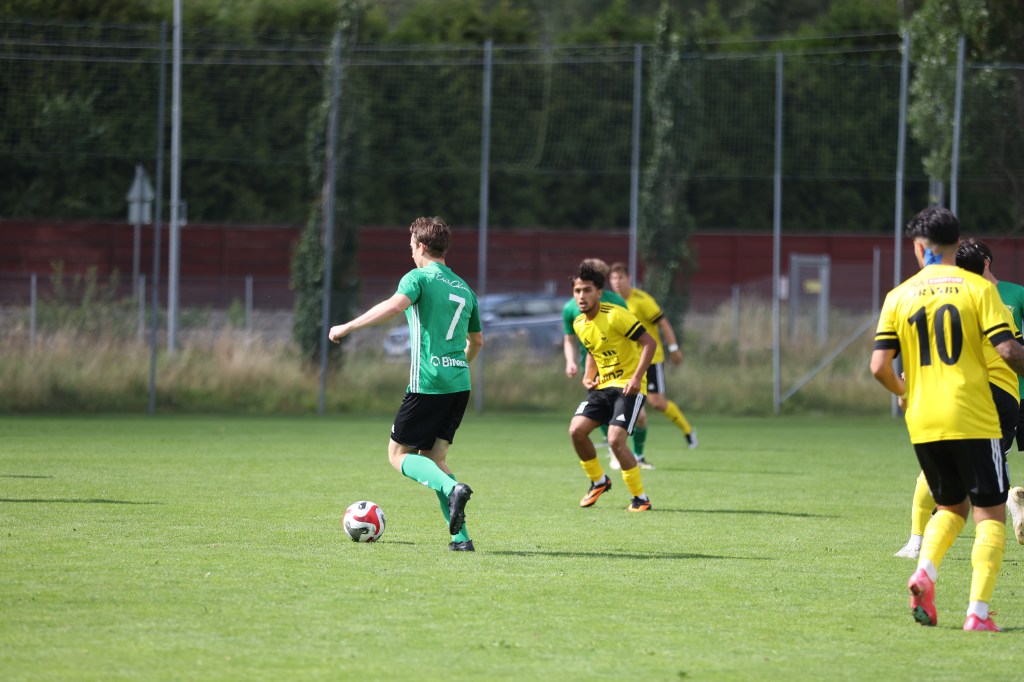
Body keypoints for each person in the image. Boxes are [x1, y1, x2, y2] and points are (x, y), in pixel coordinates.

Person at [871, 207, 1024, 632]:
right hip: (974, 413)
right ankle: (977, 613)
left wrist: (905, 393)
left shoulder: (898, 295)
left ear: (918, 248)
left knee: (951, 507)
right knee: (989, 514)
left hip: (923, 417)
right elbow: (1008, 351)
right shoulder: (978, 289)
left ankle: (925, 571)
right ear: (957, 245)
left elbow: (879, 367)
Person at [329, 217, 483, 552]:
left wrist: (348, 327)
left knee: (398, 454)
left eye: (411, 246)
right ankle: (461, 539)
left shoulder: (418, 278)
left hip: (428, 382)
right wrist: (457, 366)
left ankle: (454, 490)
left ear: (421, 246)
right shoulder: (464, 288)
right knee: (435, 460)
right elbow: (477, 342)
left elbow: (393, 306)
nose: (410, 252)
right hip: (459, 383)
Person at [893, 238, 1022, 559]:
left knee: (946, 469)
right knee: (984, 472)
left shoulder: (951, 299)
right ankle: (1008, 502)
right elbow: (1011, 349)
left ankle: (920, 545)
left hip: (971, 392)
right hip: (1000, 395)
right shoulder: (987, 300)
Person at [568, 260, 656, 512]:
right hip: (603, 387)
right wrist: (588, 376)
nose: (581, 296)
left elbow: (649, 343)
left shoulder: (616, 315)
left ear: (598, 292)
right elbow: (592, 351)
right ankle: (598, 481)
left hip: (628, 387)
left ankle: (640, 498)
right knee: (576, 431)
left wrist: (636, 378)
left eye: (587, 290)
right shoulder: (579, 324)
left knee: (615, 440)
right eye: (577, 291)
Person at [608, 262, 698, 462]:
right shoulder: (613, 302)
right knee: (626, 402)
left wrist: (673, 348)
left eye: (620, 278)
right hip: (628, 361)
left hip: (651, 358)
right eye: (613, 278)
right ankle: (625, 450)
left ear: (629, 279)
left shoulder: (642, 300)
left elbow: (664, 324)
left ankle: (687, 430)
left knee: (657, 403)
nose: (616, 282)